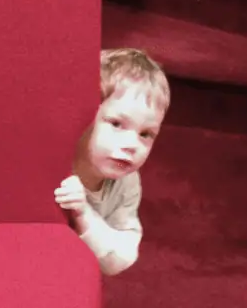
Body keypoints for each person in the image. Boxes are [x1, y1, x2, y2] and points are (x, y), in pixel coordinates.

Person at [54, 48, 170, 277]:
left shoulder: (127, 182)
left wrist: (83, 214)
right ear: (85, 116)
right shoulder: (55, 159)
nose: (132, 145)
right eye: (116, 124)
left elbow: (120, 258)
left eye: (145, 134)